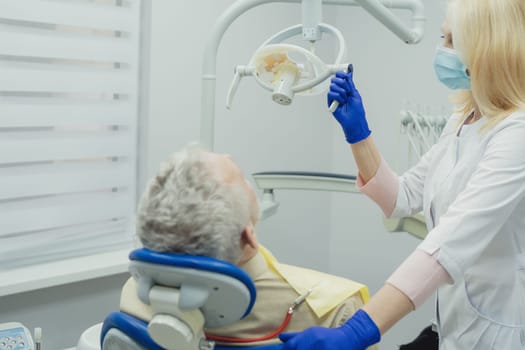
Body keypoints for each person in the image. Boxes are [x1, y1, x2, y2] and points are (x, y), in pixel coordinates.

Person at [278, 0, 525, 349]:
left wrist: (357, 330)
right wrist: (358, 133)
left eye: (452, 41)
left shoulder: (517, 134)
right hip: (448, 326)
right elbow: (402, 197)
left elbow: (449, 243)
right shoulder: (464, 120)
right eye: (442, 38)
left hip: (496, 334)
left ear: (486, 52)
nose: (442, 50)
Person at [119, 145, 377, 348]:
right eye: (242, 179)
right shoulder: (335, 311)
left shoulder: (134, 296)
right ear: (248, 237)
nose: (229, 155)